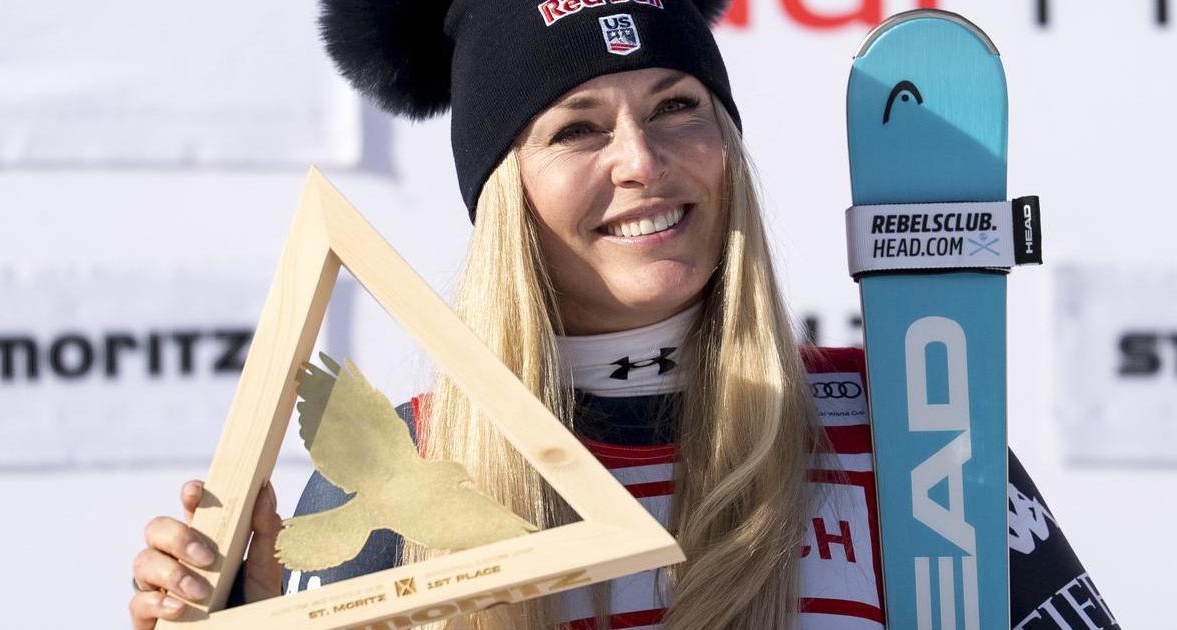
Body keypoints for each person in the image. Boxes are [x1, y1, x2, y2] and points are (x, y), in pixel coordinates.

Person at [130, 1, 1118, 629]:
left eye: (678, 105)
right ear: (506, 194)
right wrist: (230, 617)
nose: (643, 160)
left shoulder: (910, 426)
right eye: (578, 128)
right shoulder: (403, 474)